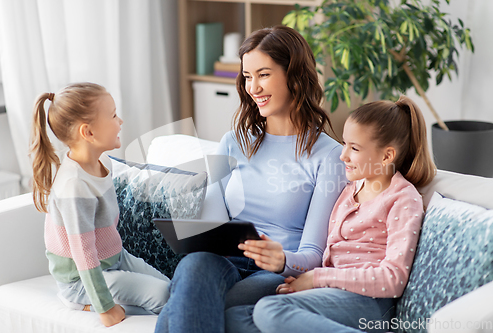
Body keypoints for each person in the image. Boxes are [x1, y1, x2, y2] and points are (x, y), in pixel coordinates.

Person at [155, 25, 347, 333]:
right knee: (193, 267)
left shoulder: (330, 156)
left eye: (264, 74)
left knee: (190, 300)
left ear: (294, 75)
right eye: (247, 77)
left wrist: (282, 259)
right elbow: (212, 223)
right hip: (224, 262)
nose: (253, 87)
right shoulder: (232, 141)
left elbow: (314, 254)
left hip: (274, 273)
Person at [225, 95, 436, 333]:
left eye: (354, 148)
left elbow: (393, 279)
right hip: (330, 293)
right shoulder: (349, 190)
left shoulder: (403, 198)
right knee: (233, 317)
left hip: (370, 303)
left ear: (387, 156)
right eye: (344, 144)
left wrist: (316, 279)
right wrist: (310, 283)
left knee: (269, 310)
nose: (342, 155)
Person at [30, 82, 170, 327]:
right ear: (88, 133)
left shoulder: (97, 164)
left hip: (114, 258)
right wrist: (106, 309)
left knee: (172, 286)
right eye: (113, 115)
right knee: (164, 296)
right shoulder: (74, 186)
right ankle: (81, 300)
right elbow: (84, 255)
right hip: (81, 280)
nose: (121, 121)